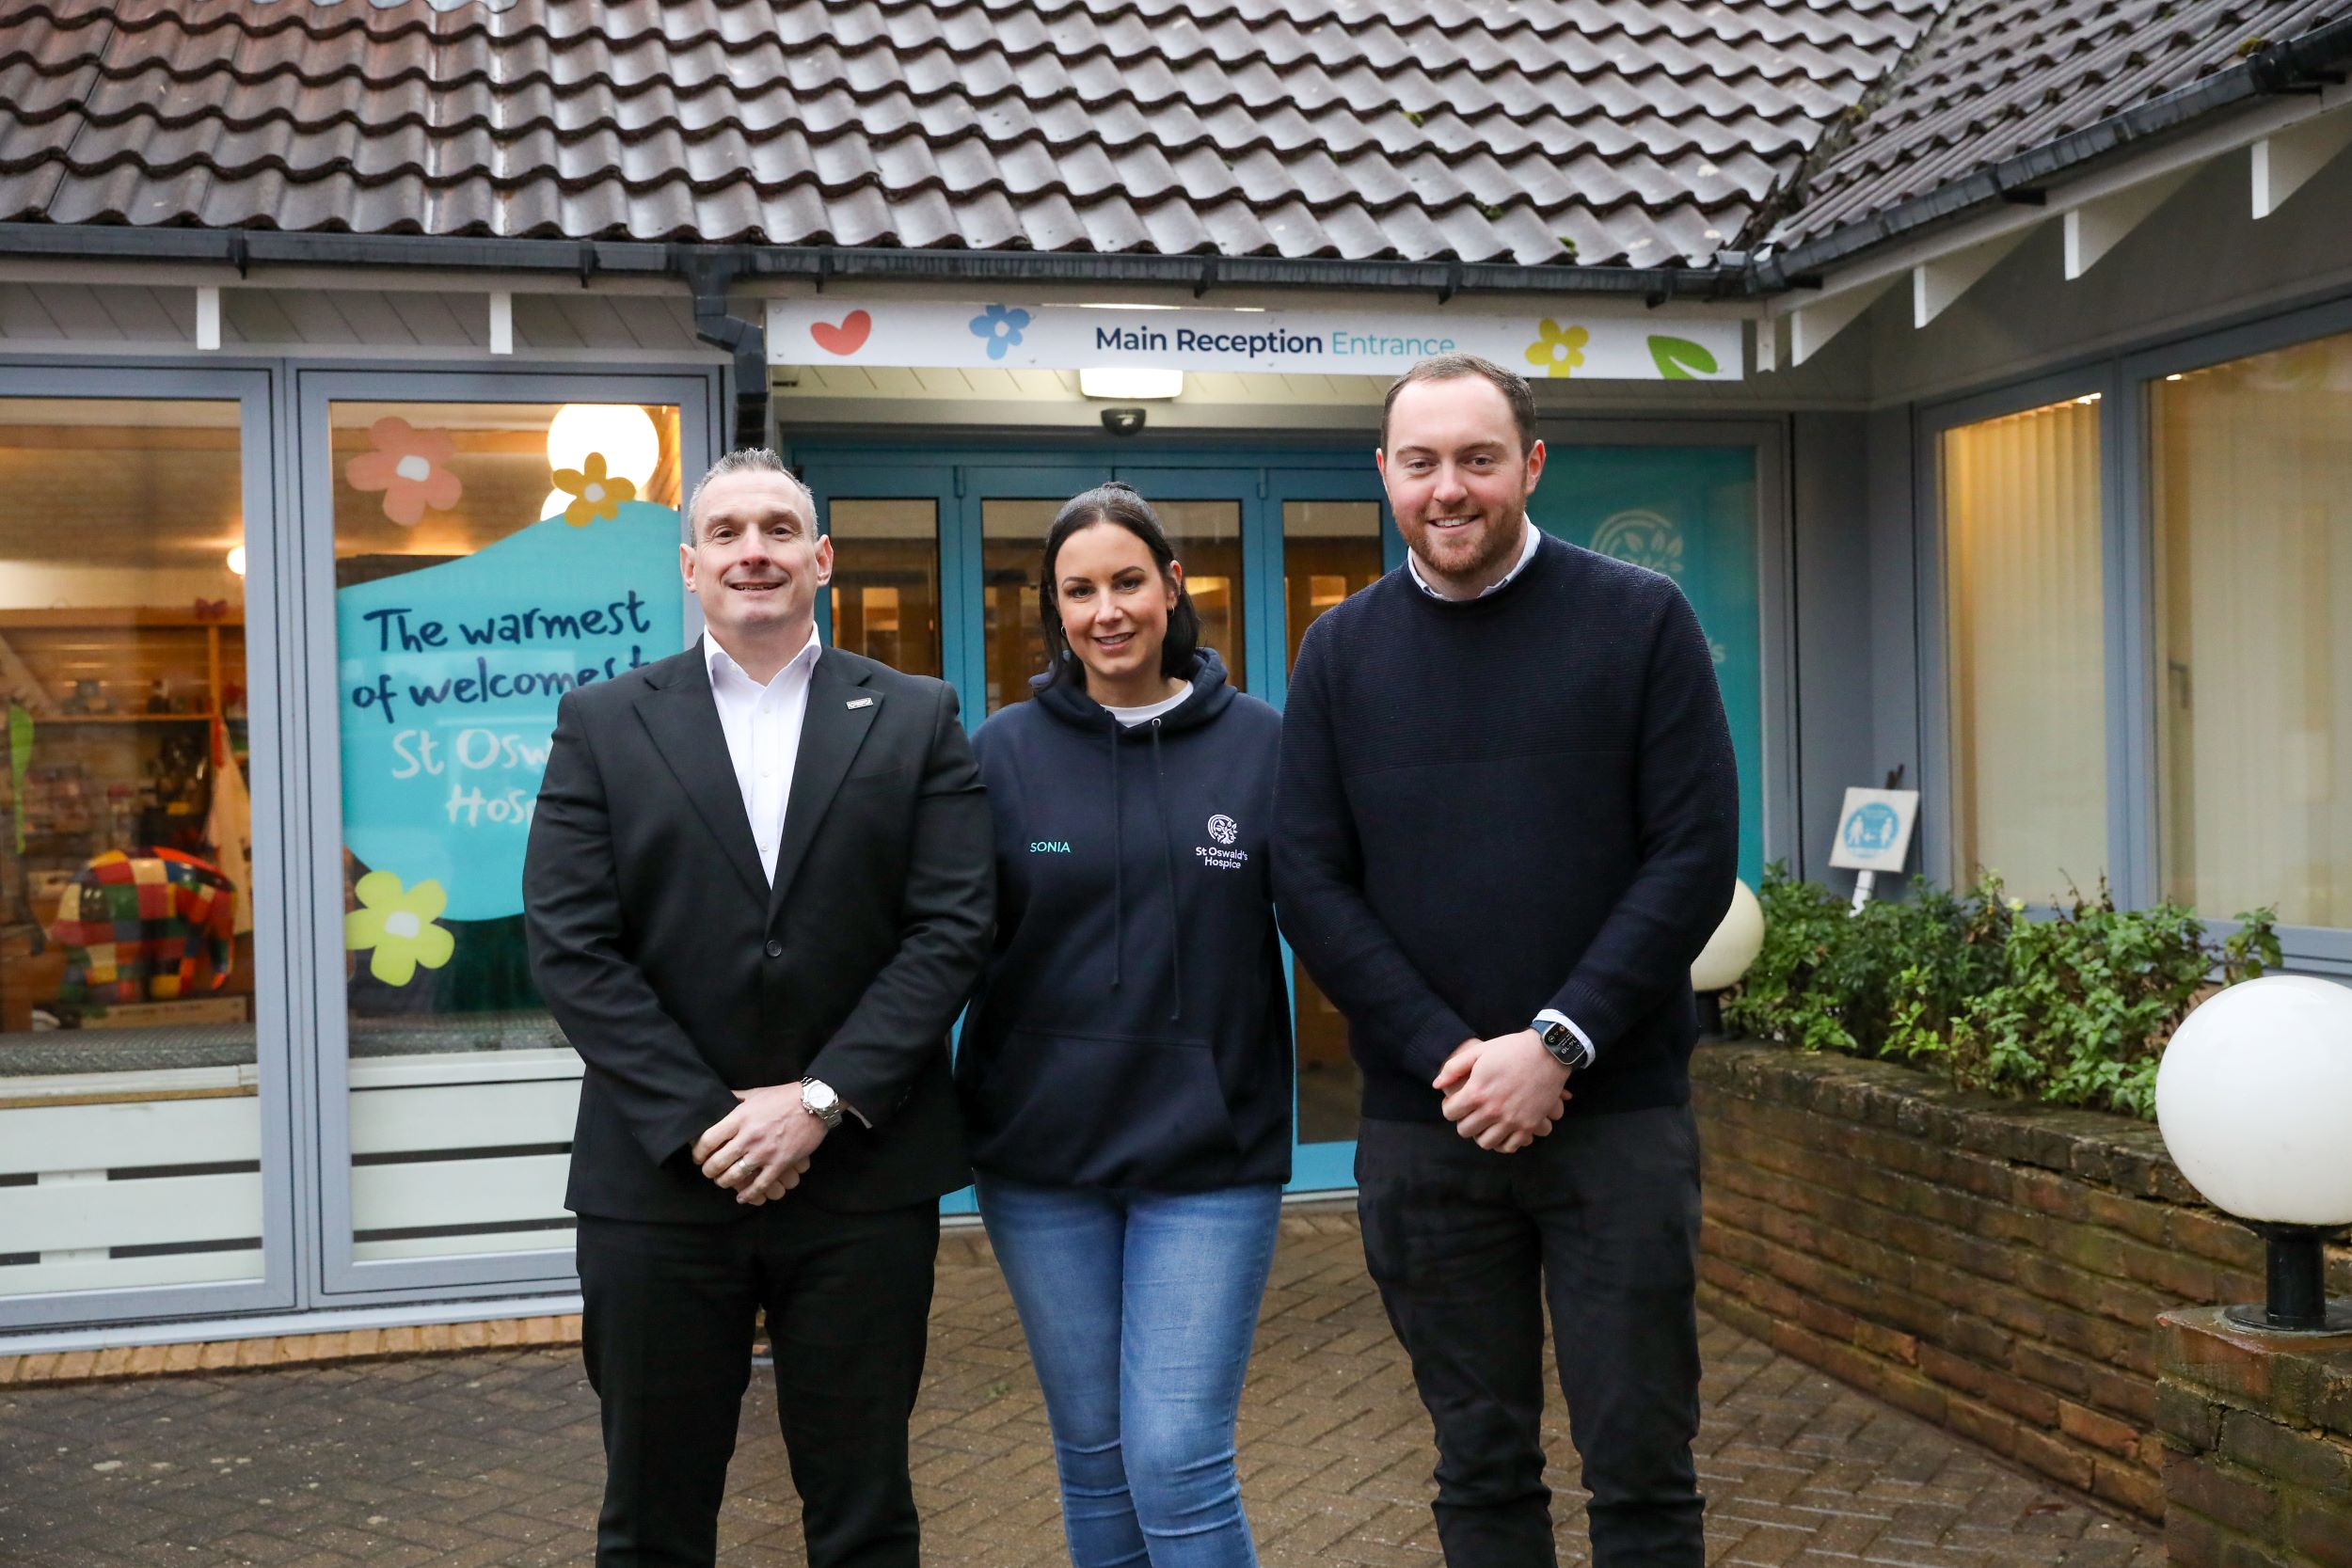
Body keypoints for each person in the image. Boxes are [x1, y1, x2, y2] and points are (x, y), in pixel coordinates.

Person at [1273, 354, 1739, 1568]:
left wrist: (1557, 1041)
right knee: (1479, 1468)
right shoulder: (1339, 653)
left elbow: (1691, 856)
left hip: (1617, 1115)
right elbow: (1310, 881)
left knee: (1642, 1468)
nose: (1449, 487)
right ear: (1384, 475)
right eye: (1420, 462)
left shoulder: (1640, 622)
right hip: (1431, 1128)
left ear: (1531, 464)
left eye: (1478, 458)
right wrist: (1456, 1056)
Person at [522, 448, 993, 1568]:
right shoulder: (601, 720)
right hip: (659, 1182)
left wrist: (819, 1101)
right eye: (727, 533)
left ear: (821, 558)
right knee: (652, 1514)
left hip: (861, 1181)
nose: (753, 551)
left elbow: (953, 928)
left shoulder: (917, 713)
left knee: (866, 1509)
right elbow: (571, 944)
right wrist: (707, 1119)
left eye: (778, 529)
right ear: (690, 567)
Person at [957, 481, 1291, 1568]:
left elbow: (1340, 916)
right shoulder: (999, 752)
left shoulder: (1261, 745)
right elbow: (938, 938)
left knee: (1178, 1454)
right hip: (1040, 1157)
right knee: (1094, 1458)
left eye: (1127, 581)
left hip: (1211, 1153)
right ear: (1053, 610)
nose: (1106, 609)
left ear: (1171, 587)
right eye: (1079, 590)